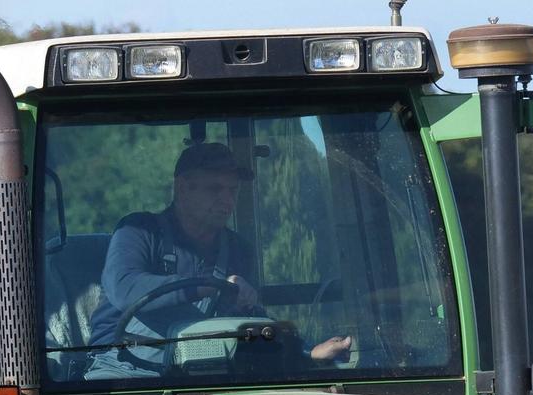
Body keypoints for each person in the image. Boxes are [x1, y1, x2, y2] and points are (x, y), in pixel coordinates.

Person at [83, 142, 351, 378]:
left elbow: (251, 318)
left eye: (232, 191)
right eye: (215, 189)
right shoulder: (139, 230)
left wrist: (305, 352)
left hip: (202, 367)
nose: (227, 200)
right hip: (123, 364)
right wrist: (208, 285)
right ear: (182, 188)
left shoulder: (237, 249)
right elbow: (124, 288)